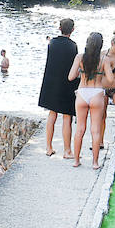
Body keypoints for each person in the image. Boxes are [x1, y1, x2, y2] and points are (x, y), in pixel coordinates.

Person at [67, 31, 109, 169]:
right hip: (97, 92)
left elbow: (70, 77)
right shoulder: (104, 59)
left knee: (79, 129)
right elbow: (110, 79)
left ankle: (76, 160)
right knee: (95, 130)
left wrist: (81, 71)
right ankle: (95, 163)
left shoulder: (80, 57)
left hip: (82, 93)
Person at [38, 18, 79, 158]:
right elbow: (74, 67)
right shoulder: (73, 46)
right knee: (67, 117)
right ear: (72, 30)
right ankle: (67, 151)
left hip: (52, 83)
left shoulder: (52, 43)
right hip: (67, 84)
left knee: (52, 115)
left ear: (59, 28)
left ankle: (49, 147)